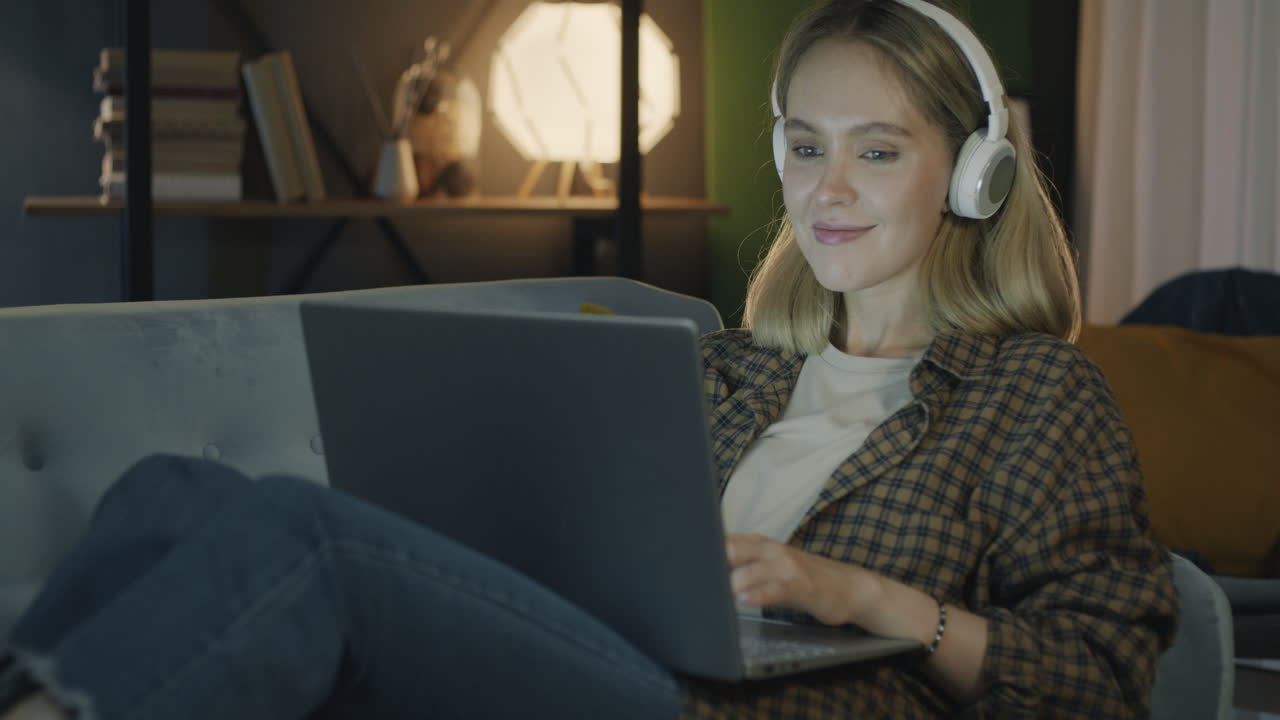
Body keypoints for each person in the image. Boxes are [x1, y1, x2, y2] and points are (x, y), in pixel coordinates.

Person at [1, 0, 1178, 718]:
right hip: (608, 661)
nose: (826, 189)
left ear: (971, 175)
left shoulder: (1033, 394)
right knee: (171, 494)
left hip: (739, 715)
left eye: (876, 151)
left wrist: (858, 595)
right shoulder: (728, 371)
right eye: (807, 146)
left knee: (301, 543)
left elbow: (1098, 678)